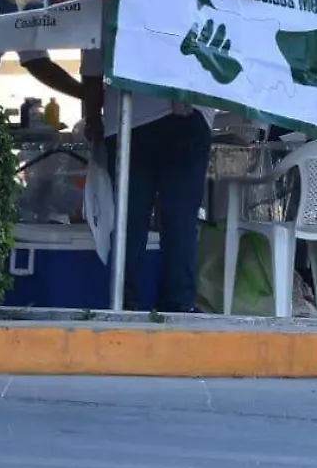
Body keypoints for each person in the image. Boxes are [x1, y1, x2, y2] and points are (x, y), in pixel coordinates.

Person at [21, 49, 212, 313]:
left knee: (127, 219)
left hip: (126, 119)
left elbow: (92, 65)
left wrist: (93, 116)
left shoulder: (111, 6)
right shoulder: (193, 5)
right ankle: (178, 305)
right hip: (187, 115)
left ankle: (125, 303)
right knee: (179, 219)